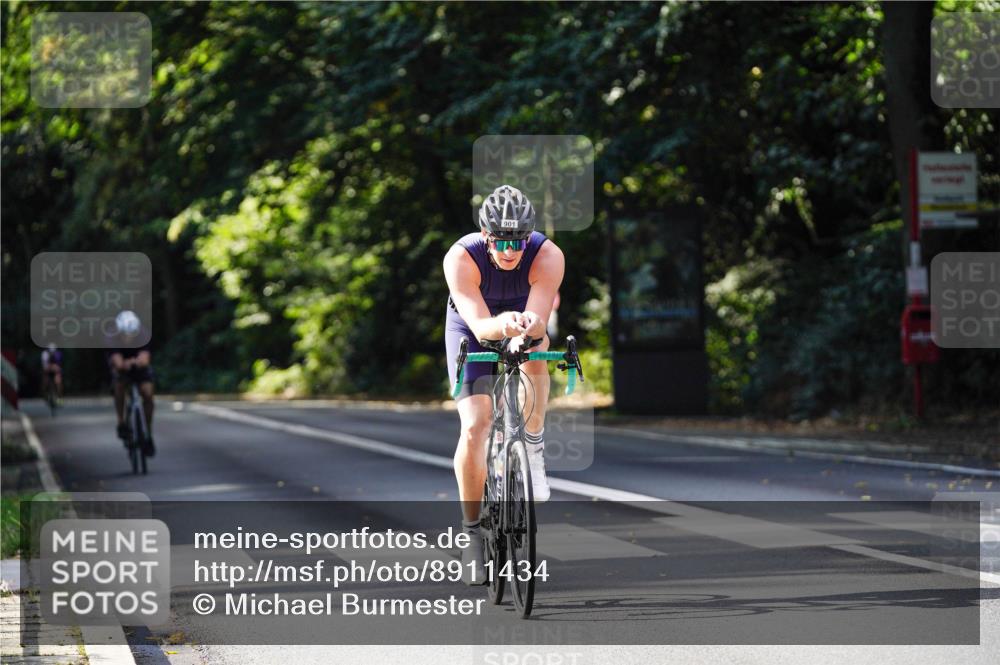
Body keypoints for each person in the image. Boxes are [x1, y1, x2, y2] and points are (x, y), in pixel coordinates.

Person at [443, 184, 564, 584]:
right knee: (476, 425)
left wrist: (526, 327)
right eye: (501, 242)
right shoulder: (462, 257)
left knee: (536, 349)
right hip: (471, 324)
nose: (510, 251)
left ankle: (533, 444)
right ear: (485, 236)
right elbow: (479, 326)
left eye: (518, 241)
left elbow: (539, 320)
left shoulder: (547, 255)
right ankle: (472, 531)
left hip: (521, 322)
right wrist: (504, 325)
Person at [106, 310, 155, 456]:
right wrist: (126, 363)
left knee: (147, 393)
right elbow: (118, 363)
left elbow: (145, 359)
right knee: (119, 385)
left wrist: (136, 361)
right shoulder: (112, 337)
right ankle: (121, 422)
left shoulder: (144, 334)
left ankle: (148, 432)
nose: (128, 338)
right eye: (125, 335)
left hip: (139, 367)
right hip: (122, 367)